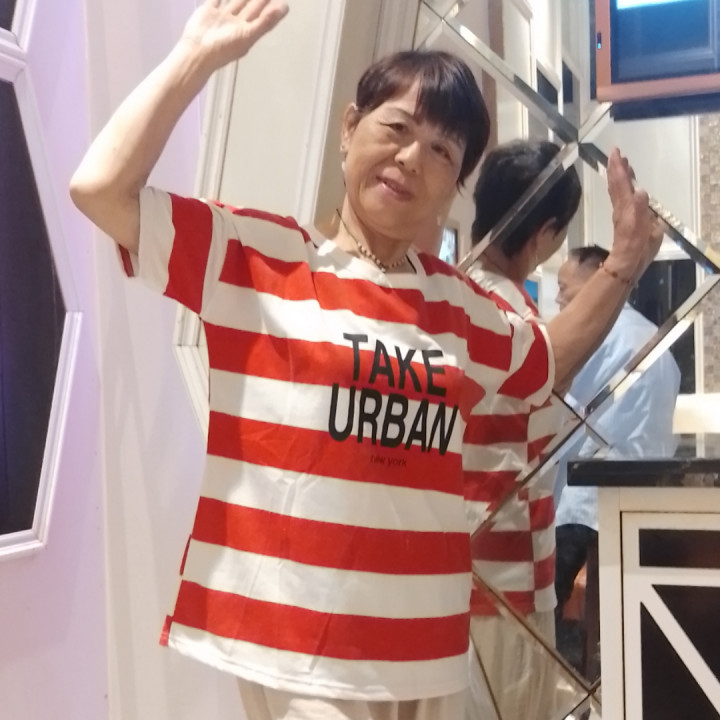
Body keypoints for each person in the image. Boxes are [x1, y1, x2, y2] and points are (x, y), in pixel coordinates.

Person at [69, 1, 658, 717]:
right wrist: (194, 57)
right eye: (397, 128)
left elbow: (543, 366)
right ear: (349, 129)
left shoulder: (460, 306)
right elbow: (102, 191)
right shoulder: (260, 258)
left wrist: (624, 263)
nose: (412, 158)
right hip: (299, 649)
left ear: (455, 186)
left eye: (442, 151)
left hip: (429, 647)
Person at [463, 139, 583, 719]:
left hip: (458, 570)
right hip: (507, 575)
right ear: (546, 232)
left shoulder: (450, 293)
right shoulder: (517, 318)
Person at [553, 245, 681, 665]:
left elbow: (554, 406)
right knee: (622, 618)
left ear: (598, 281)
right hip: (641, 504)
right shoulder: (655, 338)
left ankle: (568, 682)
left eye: (565, 290)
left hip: (584, 501)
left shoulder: (595, 335)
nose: (558, 300)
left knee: (552, 615)